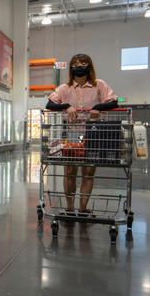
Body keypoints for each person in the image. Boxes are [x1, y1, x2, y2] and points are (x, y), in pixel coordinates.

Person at [46, 53, 118, 214]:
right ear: (71, 68)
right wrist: (66, 106)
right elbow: (50, 103)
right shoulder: (65, 88)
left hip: (93, 133)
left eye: (83, 63)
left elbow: (113, 101)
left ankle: (83, 208)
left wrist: (98, 107)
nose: (79, 66)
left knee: (88, 171)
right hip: (72, 133)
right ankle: (70, 208)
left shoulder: (99, 85)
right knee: (70, 171)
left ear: (89, 65)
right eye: (76, 63)